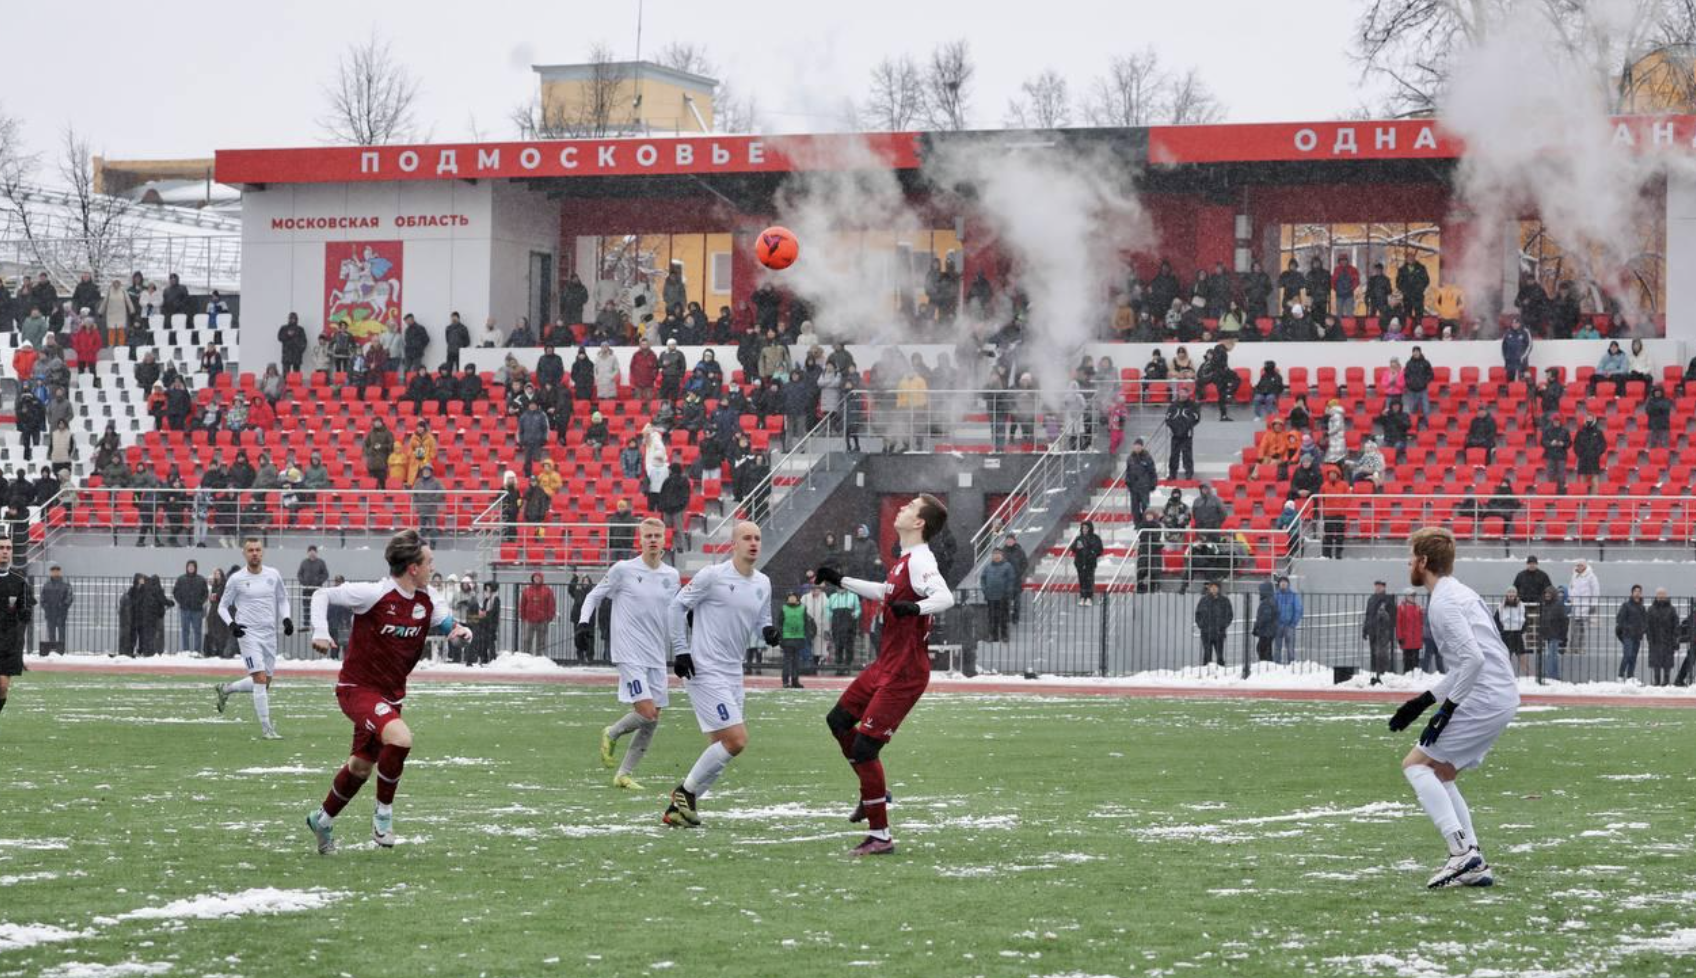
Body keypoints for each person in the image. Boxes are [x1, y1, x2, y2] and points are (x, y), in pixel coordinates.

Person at [305, 530, 473, 852]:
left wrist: (458, 630)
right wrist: (322, 632)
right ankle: (383, 816)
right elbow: (321, 595)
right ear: (413, 567)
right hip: (358, 689)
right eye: (429, 563)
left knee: (360, 767)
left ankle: (322, 820)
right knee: (401, 737)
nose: (432, 569)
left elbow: (446, 623)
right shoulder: (374, 594)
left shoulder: (428, 599)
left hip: (391, 696)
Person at [813, 495, 953, 856]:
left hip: (905, 671)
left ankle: (880, 836)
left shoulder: (922, 560)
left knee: (864, 748)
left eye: (910, 507)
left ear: (920, 523)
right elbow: (886, 592)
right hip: (885, 664)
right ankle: (872, 791)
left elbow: (945, 597)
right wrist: (841, 580)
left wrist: (917, 607)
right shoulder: (904, 560)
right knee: (838, 721)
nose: (903, 508)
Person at [1386, 526, 1519, 889]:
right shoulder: (1460, 593)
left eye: (1411, 557)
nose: (1408, 564)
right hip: (1498, 694)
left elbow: (1473, 661)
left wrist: (1445, 712)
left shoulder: (1444, 602)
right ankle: (1473, 860)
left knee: (1415, 766)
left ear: (1424, 561)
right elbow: (1470, 663)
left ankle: (1461, 853)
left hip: (1484, 695)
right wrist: (1423, 702)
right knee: (1441, 771)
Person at [663, 521, 776, 829]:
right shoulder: (712, 576)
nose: (753, 542)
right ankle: (684, 793)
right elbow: (676, 607)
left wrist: (767, 630)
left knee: (721, 746)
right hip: (703, 668)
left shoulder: (763, 582)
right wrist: (681, 651)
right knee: (737, 740)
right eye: (747, 538)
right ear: (733, 544)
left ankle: (677, 810)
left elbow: (761, 616)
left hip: (732, 671)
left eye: (757, 537)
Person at [579, 518, 681, 788]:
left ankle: (624, 774)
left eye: (657, 535)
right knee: (646, 711)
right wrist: (583, 623)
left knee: (653, 718)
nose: (652, 540)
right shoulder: (623, 570)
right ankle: (611, 733)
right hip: (628, 652)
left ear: (664, 540)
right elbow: (593, 596)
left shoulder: (671, 576)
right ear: (640, 539)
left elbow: (678, 611)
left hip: (655, 654)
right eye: (647, 535)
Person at [211, 538, 293, 739]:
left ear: (262, 552)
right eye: (250, 550)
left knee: (265, 683)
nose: (254, 553)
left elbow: (282, 599)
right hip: (248, 633)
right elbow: (222, 606)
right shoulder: (236, 579)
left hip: (269, 633)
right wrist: (232, 625)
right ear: (244, 554)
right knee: (259, 678)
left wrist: (287, 619)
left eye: (257, 549)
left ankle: (227, 689)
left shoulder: (273, 575)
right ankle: (267, 729)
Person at [0, 538, 34, 726]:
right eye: (1, 548)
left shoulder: (19, 581)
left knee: (2, 687)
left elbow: (25, 612)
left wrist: (24, 611)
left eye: (8, 548)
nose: (5, 551)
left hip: (7, 642)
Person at [1363, 580, 1398, 682]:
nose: (1377, 588)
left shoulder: (1388, 599)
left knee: (1381, 653)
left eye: (1380, 586)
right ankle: (1374, 672)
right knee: (1373, 653)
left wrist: (1390, 629)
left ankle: (1383, 673)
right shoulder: (1371, 599)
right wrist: (1365, 629)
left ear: (1384, 587)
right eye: (1376, 586)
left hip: (1383, 631)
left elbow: (1392, 616)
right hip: (1372, 630)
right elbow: (1368, 615)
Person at [981, 548, 1017, 642]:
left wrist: (1008, 592)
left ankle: (1004, 635)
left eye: (998, 554)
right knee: (992, 617)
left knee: (1003, 617)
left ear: (1002, 555)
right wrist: (985, 589)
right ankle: (993, 636)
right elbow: (983, 578)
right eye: (994, 554)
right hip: (991, 596)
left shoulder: (1007, 566)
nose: (996, 556)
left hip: (1003, 597)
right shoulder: (988, 567)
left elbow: (1011, 580)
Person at [173, 560, 208, 655]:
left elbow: (205, 593)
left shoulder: (201, 579)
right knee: (185, 631)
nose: (191, 568)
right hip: (185, 609)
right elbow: (175, 592)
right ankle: (186, 651)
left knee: (197, 631)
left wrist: (200, 602)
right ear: (187, 567)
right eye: (189, 566)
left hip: (197, 610)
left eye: (193, 566)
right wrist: (181, 602)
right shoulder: (181, 579)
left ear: (195, 568)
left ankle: (197, 651)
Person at [1646, 588, 1680, 686]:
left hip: (1668, 640)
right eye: (1659, 594)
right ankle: (1657, 681)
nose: (1661, 596)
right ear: (1656, 596)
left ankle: (1666, 680)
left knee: (1667, 662)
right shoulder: (1651, 609)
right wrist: (1650, 638)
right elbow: (1648, 625)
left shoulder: (1672, 609)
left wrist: (1675, 637)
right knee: (1656, 662)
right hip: (1655, 640)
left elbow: (1676, 624)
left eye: (1663, 594)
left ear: (1666, 596)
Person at [777, 589, 811, 689]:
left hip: (799, 637)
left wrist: (807, 635)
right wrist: (780, 637)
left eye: (793, 597)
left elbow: (806, 623)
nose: (791, 599)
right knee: (787, 661)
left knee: (796, 661)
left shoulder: (803, 608)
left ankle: (795, 681)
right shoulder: (783, 608)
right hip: (787, 638)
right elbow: (780, 624)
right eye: (789, 597)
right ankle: (785, 681)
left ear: (797, 598)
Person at [1195, 580, 1232, 667]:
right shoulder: (1203, 600)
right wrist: (1201, 625)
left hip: (1219, 632)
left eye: (1216, 587)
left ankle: (1222, 672)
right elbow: (1198, 614)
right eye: (1212, 587)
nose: (1214, 589)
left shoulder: (1225, 600)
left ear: (1219, 589)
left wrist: (1222, 625)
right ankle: (1206, 671)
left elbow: (1229, 615)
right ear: (1209, 589)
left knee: (1220, 656)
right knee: (1207, 655)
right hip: (1206, 632)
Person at [518, 572, 555, 657]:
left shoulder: (547, 590)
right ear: (532, 579)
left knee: (541, 640)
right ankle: (526, 656)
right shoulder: (527, 590)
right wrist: (522, 616)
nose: (537, 579)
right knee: (527, 639)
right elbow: (522, 604)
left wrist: (550, 617)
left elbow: (551, 604)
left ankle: (539, 657)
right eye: (535, 577)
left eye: (539, 577)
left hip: (542, 619)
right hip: (529, 619)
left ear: (542, 579)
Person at [1164, 395, 1200, 480]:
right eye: (1181, 393)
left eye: (1184, 393)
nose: (1183, 395)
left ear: (1187, 395)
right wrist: (1173, 427)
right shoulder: (1173, 405)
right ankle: (1172, 474)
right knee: (1174, 455)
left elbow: (1196, 417)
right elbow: (1168, 418)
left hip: (1187, 434)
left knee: (1187, 455)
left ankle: (1189, 473)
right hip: (1175, 434)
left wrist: (1188, 426)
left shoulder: (1192, 405)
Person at [1568, 559, 1599, 656]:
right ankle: (1573, 647)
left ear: (1585, 566)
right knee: (1573, 627)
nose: (1579, 567)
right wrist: (1571, 598)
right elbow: (1571, 587)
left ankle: (1580, 647)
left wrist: (1593, 604)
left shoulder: (1591, 577)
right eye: (1577, 565)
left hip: (1585, 605)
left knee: (1581, 627)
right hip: (1575, 605)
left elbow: (1595, 591)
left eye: (1581, 565)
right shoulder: (1574, 575)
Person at [1069, 520, 1104, 607]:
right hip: (1080, 561)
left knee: (1089, 579)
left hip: (1090, 562)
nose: (1084, 530)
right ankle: (1082, 596)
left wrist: (1092, 553)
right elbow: (1072, 548)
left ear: (1090, 528)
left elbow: (1099, 549)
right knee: (1081, 579)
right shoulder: (1079, 538)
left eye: (1086, 528)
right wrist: (1076, 547)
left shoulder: (1095, 538)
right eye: (1083, 528)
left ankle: (1089, 597)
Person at [39, 563, 71, 655]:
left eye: (57, 571)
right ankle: (53, 651)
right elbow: (42, 598)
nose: (55, 573)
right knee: (51, 632)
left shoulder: (65, 585)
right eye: (53, 571)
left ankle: (61, 651)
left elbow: (69, 598)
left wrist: (63, 606)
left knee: (61, 632)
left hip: (61, 613)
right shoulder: (47, 585)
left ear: (60, 572)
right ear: (51, 572)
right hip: (50, 612)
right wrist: (46, 607)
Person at [1274, 576, 1302, 664]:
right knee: (1277, 647)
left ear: (1288, 584)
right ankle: (1276, 665)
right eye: (1281, 582)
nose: (1283, 584)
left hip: (1289, 625)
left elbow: (1298, 609)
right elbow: (1272, 609)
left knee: (1290, 647)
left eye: (1285, 582)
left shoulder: (1293, 595)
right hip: (1278, 625)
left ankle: (1291, 664)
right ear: (1279, 584)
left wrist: (1293, 623)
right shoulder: (1276, 595)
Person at [1398, 588, 1426, 674]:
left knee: (1415, 660)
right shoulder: (1401, 608)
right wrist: (1400, 637)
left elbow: (1421, 623)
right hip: (1406, 639)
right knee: (1407, 660)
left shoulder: (1418, 608)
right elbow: (1399, 623)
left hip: (1416, 639)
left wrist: (1422, 635)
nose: (1413, 597)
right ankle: (1406, 676)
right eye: (1411, 595)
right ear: (1406, 596)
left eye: (1414, 596)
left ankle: (1415, 677)